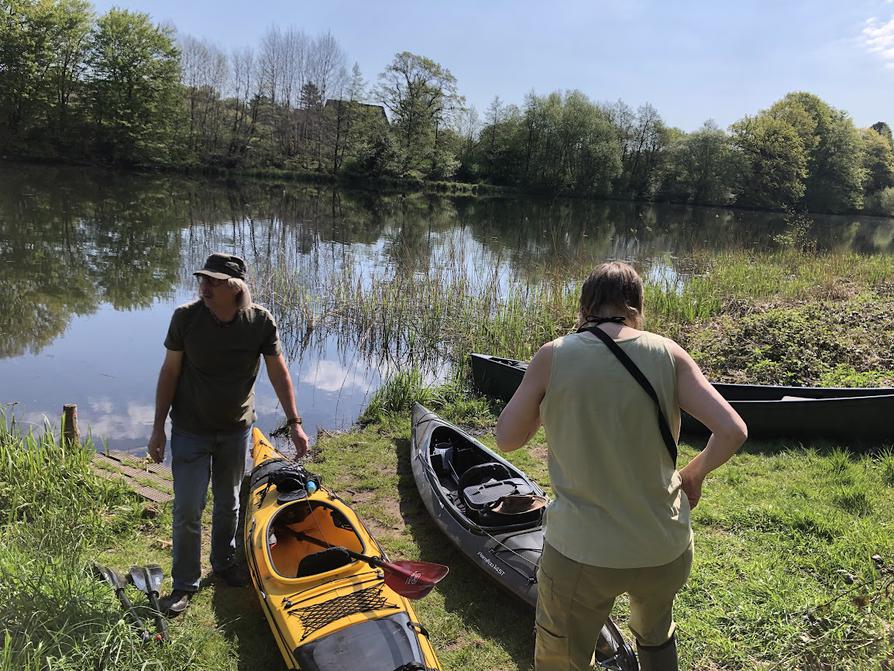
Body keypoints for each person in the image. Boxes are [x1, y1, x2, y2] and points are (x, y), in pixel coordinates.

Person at [495, 261, 747, 671]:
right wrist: (693, 474)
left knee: (562, 656)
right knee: (655, 633)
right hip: (663, 548)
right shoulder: (669, 353)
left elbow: (507, 439)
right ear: (636, 306)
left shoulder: (554, 355)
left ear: (585, 306)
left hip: (582, 552)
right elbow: (733, 430)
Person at [148, 252, 309, 615]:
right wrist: (158, 428)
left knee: (229, 504)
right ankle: (185, 583)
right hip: (190, 430)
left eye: (212, 281)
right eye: (201, 279)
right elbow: (169, 373)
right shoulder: (186, 318)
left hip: (236, 431)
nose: (203, 286)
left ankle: (223, 564)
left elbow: (278, 373)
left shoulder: (259, 321)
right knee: (188, 507)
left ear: (234, 288)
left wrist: (295, 422)